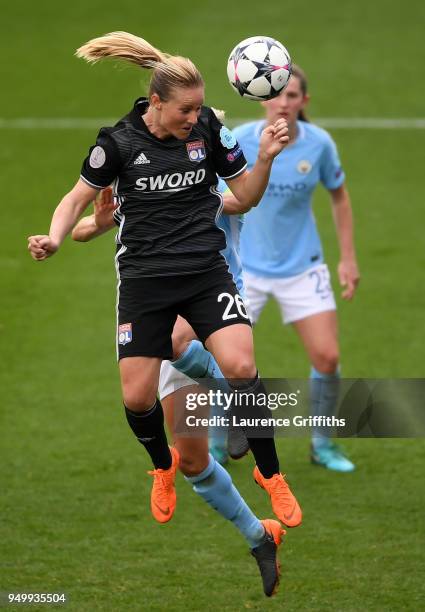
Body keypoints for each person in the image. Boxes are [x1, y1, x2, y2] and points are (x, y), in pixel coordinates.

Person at [27, 32, 301, 595]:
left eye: (201, 113)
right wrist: (59, 237)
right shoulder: (121, 149)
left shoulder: (211, 170)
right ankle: (257, 535)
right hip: (149, 294)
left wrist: (268, 158)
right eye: (188, 111)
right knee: (185, 450)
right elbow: (84, 220)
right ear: (157, 103)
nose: (194, 121)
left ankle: (263, 459)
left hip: (201, 295)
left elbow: (240, 197)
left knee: (217, 356)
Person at [224, 65, 360, 472]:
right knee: (223, 359)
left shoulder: (318, 144)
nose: (284, 102)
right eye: (278, 95)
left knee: (328, 357)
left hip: (303, 266)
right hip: (245, 270)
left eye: (293, 95)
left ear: (304, 102)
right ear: (262, 97)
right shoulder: (240, 141)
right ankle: (217, 442)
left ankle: (322, 445)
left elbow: (339, 196)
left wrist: (348, 258)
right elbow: (213, 195)